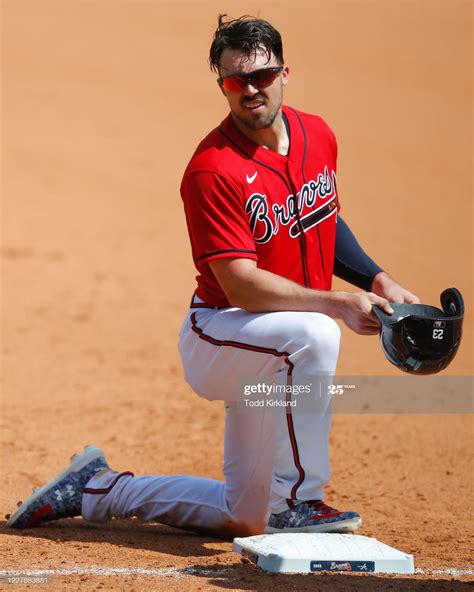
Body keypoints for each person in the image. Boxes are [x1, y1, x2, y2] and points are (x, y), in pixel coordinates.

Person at [7, 15, 419, 537]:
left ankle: (99, 488)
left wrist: (378, 281)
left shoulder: (318, 135)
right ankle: (301, 502)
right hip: (222, 334)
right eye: (234, 81)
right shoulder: (212, 169)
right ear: (222, 86)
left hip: (274, 349)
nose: (250, 90)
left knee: (243, 514)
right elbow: (240, 285)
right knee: (315, 334)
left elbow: (323, 220)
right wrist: (337, 304)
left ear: (285, 72)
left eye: (261, 76)